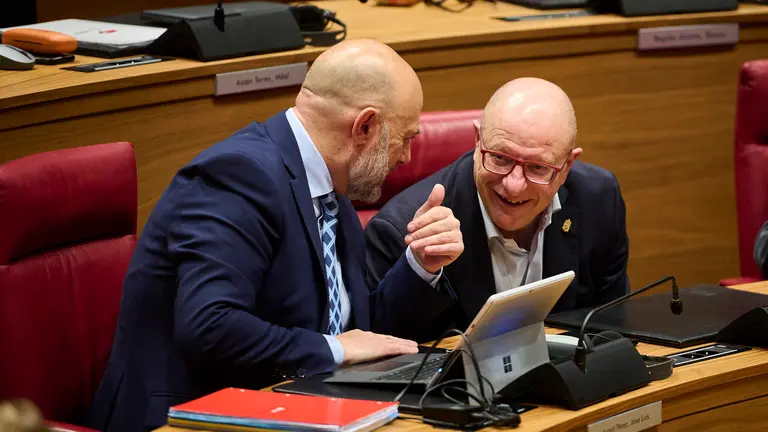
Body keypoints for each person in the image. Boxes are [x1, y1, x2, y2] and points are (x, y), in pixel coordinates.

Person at [86, 39, 464, 431]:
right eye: (405, 137)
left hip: (298, 404)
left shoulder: (331, 188)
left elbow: (362, 333)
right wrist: (332, 349)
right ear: (364, 126)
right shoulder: (237, 177)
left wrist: (421, 263)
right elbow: (210, 325)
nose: (405, 157)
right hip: (188, 419)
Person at [366, 77, 629, 343]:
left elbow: (611, 327)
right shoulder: (403, 229)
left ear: (567, 165)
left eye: (538, 168)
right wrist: (421, 269)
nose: (513, 186)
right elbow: (387, 355)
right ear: (478, 140)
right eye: (500, 158)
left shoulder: (598, 199)